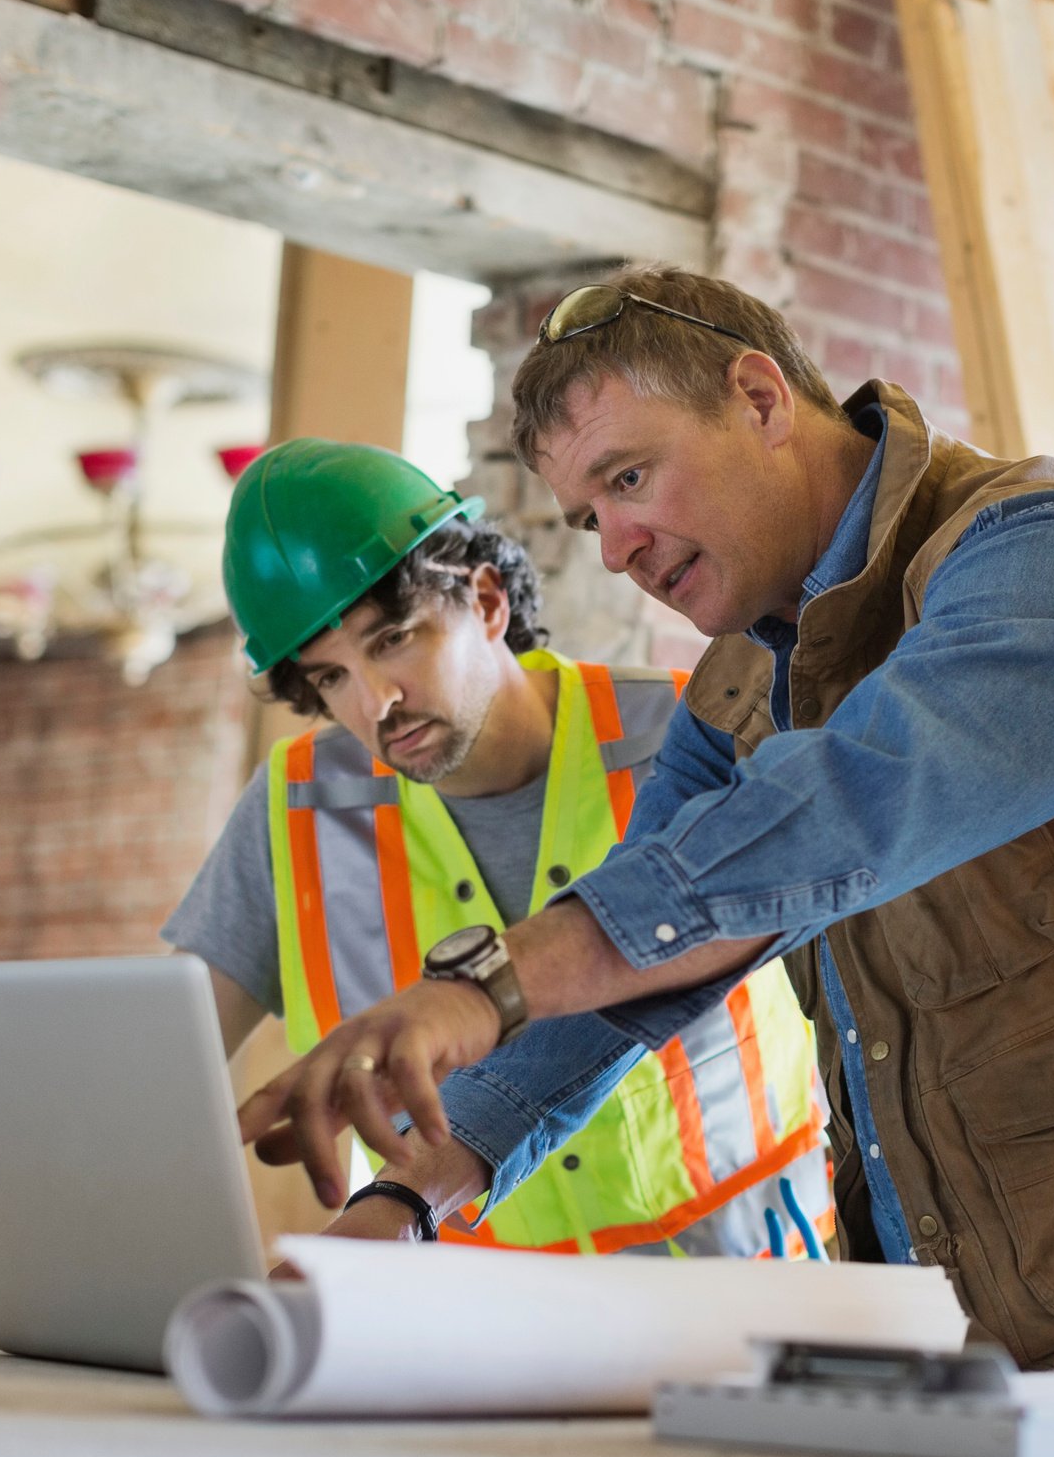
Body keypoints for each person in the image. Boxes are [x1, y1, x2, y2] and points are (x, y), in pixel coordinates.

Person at [240, 266, 1054, 1380]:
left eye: (630, 476)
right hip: (967, 1336)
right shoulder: (745, 678)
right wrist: (406, 1199)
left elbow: (844, 807)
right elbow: (639, 957)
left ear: (758, 397)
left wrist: (483, 983)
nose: (614, 545)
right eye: (587, 514)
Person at [167, 440, 830, 1257]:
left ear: (485, 601)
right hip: (471, 1328)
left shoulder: (687, 735)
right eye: (331, 678)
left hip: (745, 1283)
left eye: (392, 640)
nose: (377, 704)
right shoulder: (294, 808)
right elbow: (159, 1056)